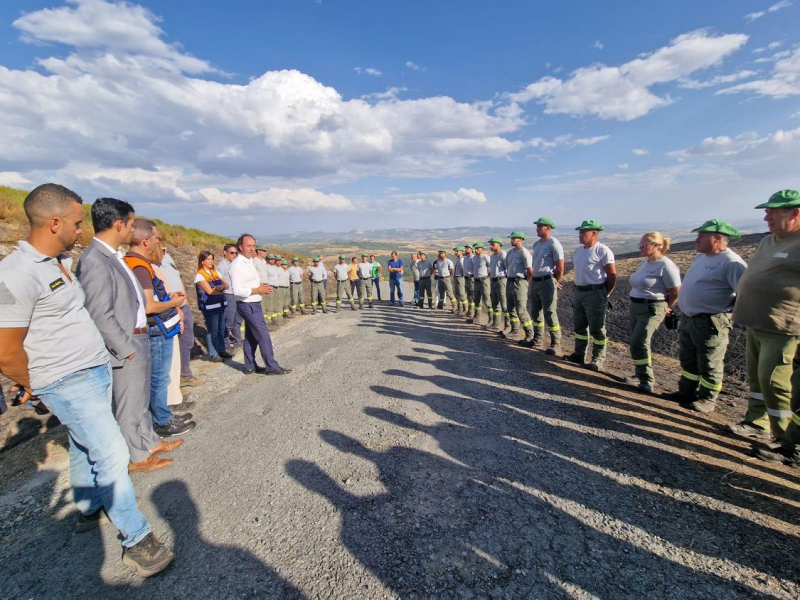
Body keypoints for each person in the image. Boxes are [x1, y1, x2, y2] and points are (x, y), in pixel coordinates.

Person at [0, 184, 174, 576]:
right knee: (111, 452)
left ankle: (87, 508)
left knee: (82, 445)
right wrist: (36, 383)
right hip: (65, 379)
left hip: (90, 370)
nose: (82, 231)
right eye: (78, 223)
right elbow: (5, 350)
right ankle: (137, 539)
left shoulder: (58, 262)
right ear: (55, 222)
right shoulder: (15, 274)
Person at [77, 199, 170, 472]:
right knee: (129, 404)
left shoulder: (112, 257)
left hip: (137, 337)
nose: (133, 230)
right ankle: (138, 457)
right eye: (131, 224)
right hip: (127, 342)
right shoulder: (95, 261)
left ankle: (149, 443)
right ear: (119, 224)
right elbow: (99, 312)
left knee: (139, 400)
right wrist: (125, 347)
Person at [730, 191, 800, 464]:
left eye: (773, 211)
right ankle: (756, 422)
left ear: (794, 212)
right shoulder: (767, 241)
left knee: (774, 381)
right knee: (758, 379)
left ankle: (784, 440)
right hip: (757, 321)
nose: (766, 216)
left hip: (784, 326)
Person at [123, 220, 195, 438]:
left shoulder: (132, 262)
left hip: (155, 327)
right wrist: (173, 303)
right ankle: (162, 420)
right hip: (155, 328)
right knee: (159, 378)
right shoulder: (140, 266)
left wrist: (169, 298)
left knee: (159, 377)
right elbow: (148, 306)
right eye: (155, 238)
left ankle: (164, 414)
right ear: (146, 241)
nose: (157, 242)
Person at [669, 220, 747, 414]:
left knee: (709, 361)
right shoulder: (702, 258)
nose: (696, 240)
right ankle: (686, 392)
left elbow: (744, 295)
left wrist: (725, 317)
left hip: (711, 321)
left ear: (718, 238)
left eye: (701, 236)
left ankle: (707, 399)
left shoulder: (732, 262)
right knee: (689, 359)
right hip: (690, 318)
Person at [625, 232, 681, 394]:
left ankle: (647, 380)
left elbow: (675, 292)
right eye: (640, 245)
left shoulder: (666, 265)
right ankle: (639, 373)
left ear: (657, 245)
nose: (641, 248)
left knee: (639, 341)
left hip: (652, 308)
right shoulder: (645, 263)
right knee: (636, 342)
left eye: (644, 245)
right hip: (636, 306)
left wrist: (666, 307)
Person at [229, 234, 290, 375]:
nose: (252, 249)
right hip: (247, 304)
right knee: (263, 335)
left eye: (253, 246)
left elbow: (247, 282)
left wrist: (259, 286)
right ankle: (272, 367)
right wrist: (258, 289)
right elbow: (237, 290)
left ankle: (250, 366)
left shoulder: (248, 262)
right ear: (240, 247)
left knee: (251, 337)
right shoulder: (237, 265)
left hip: (254, 303)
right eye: (248, 246)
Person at [565, 220, 616, 372]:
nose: (580, 235)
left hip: (595, 293)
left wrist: (604, 293)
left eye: (583, 232)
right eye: (579, 232)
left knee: (597, 328)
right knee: (580, 326)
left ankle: (598, 359)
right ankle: (579, 354)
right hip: (579, 292)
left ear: (593, 233)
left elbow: (611, 275)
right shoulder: (579, 251)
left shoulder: (602, 251)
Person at [160, 247, 202, 388]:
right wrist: (176, 306)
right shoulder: (153, 262)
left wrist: (187, 303)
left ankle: (185, 374)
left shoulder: (168, 258)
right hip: (169, 308)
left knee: (187, 341)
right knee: (172, 345)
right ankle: (174, 382)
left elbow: (178, 279)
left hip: (183, 305)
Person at [529, 217, 565, 355]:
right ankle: (537, 339)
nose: (537, 229)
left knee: (549, 312)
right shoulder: (536, 244)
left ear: (548, 228)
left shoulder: (554, 244)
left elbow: (560, 267)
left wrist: (555, 281)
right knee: (535, 312)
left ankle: (556, 343)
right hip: (536, 281)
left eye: (540, 226)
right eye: (537, 226)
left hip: (547, 281)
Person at [195, 251, 230, 363]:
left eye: (212, 259)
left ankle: (221, 350)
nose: (211, 261)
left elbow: (226, 285)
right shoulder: (200, 275)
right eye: (209, 259)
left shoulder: (215, 272)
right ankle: (214, 354)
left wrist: (220, 288)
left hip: (220, 305)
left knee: (220, 330)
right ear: (202, 261)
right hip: (210, 306)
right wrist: (220, 289)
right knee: (213, 331)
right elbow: (209, 291)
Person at [503, 231, 535, 345]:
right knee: (510, 308)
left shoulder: (524, 253)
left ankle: (530, 334)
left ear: (521, 239)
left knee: (521, 310)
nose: (511, 240)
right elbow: (508, 267)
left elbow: (530, 270)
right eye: (511, 238)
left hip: (520, 282)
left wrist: (526, 281)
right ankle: (514, 330)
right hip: (510, 281)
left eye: (514, 238)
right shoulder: (510, 253)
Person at [217, 243, 242, 351]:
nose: (234, 255)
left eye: (236, 253)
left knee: (237, 319)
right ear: (225, 253)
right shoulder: (221, 266)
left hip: (236, 294)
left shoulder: (234, 264)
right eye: (232, 253)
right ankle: (225, 345)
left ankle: (238, 341)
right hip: (228, 295)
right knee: (228, 321)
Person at [487, 237, 509, 332]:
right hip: (494, 281)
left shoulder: (503, 255)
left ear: (499, 245)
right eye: (490, 244)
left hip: (502, 280)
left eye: (493, 244)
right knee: (495, 304)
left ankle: (508, 326)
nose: (491, 246)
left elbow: (508, 268)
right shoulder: (492, 256)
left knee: (504, 305)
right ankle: (495, 324)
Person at [468, 242, 491, 324]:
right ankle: (476, 317)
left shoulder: (486, 257)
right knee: (476, 301)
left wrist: (488, 276)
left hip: (484, 281)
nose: (476, 250)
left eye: (478, 248)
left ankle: (491, 319)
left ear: (482, 249)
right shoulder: (474, 258)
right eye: (475, 248)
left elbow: (491, 267)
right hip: (476, 281)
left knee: (487, 300)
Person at [452, 246, 467, 315]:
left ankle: (465, 309)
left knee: (461, 294)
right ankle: (459, 308)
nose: (455, 252)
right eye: (455, 251)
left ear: (461, 252)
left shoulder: (462, 259)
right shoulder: (457, 259)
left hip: (460, 278)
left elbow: (462, 270)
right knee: (457, 294)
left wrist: (463, 277)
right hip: (456, 277)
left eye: (457, 251)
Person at [463, 244, 476, 320]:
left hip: (471, 278)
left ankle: (472, 313)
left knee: (472, 296)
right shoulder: (465, 258)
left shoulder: (473, 258)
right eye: (465, 248)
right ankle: (469, 312)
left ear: (471, 249)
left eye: (467, 248)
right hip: (466, 279)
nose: (466, 249)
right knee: (469, 296)